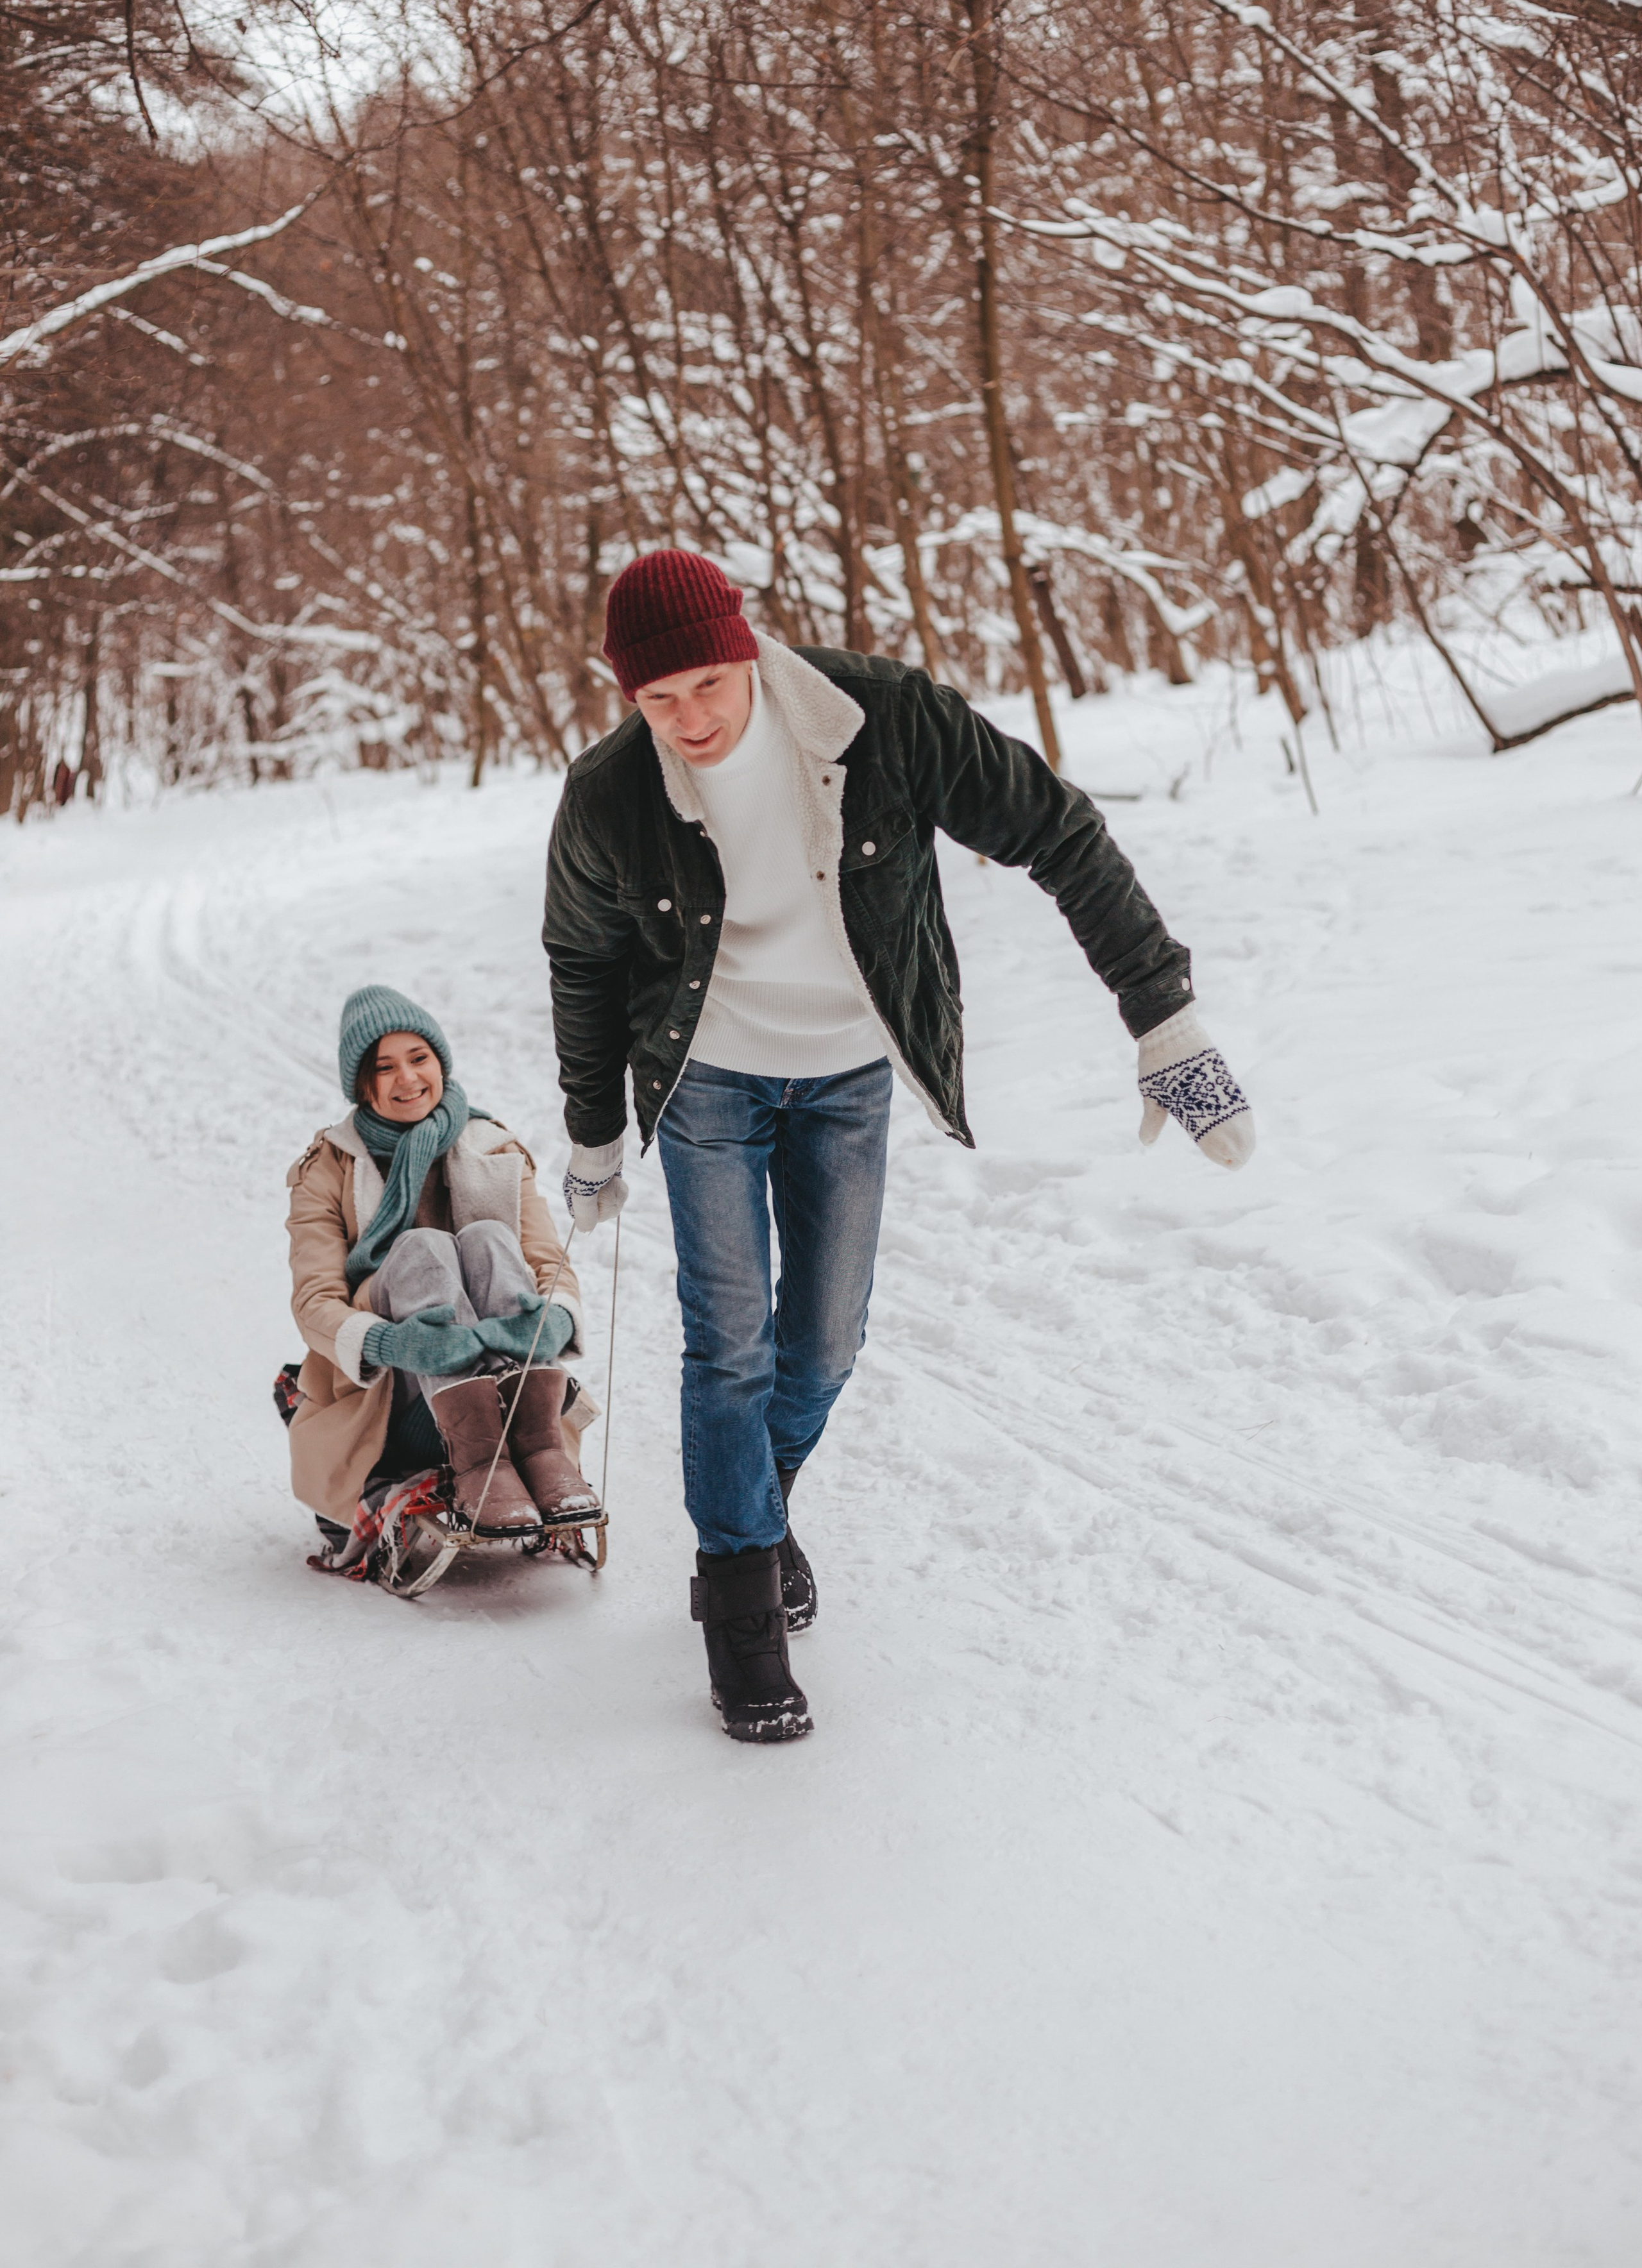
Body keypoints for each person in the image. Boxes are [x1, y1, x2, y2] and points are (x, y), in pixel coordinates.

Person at [543, 551, 1255, 1744]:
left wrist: (1161, 1014)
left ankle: (755, 1513)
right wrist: (595, 1130)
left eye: (709, 685)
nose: (691, 721)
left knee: (819, 1344)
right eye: (657, 701)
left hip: (846, 1076)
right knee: (731, 1348)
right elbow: (584, 958)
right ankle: (742, 1609)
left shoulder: (880, 719)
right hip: (708, 1080)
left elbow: (1057, 830)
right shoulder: (610, 794)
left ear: (750, 648)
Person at [285, 985, 597, 1565]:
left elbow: (549, 1264)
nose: (407, 1078)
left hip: (511, 1385)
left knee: (489, 1239)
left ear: (440, 1063)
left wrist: (554, 1320)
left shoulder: (495, 1149)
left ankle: (535, 1449)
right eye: (384, 1067)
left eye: (418, 1058)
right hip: (396, 1396)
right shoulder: (328, 1169)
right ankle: (479, 1462)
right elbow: (315, 1299)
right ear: (362, 1084)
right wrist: (388, 1341)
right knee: (424, 1248)